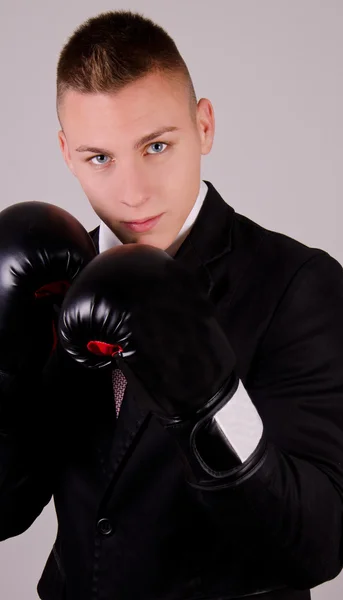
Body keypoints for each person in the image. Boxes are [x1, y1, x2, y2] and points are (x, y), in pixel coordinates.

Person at [1, 9, 343, 600]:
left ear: (204, 125)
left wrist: (211, 406)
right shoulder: (49, 284)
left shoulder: (297, 284)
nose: (132, 193)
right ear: (65, 152)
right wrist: (5, 374)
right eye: (98, 157)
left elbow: (316, 545)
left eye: (156, 146)